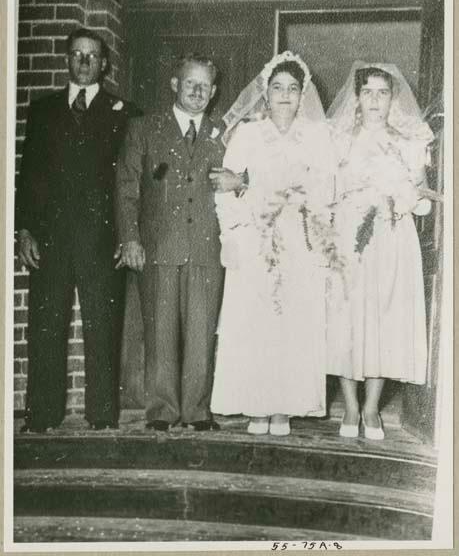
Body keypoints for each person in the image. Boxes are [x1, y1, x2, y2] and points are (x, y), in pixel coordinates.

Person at [16, 27, 142, 432]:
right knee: (46, 324)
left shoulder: (125, 113)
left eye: (92, 55)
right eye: (77, 54)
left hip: (102, 240)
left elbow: (130, 182)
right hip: (50, 238)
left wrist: (127, 234)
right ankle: (42, 414)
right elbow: (29, 177)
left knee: (103, 327)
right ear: (67, 60)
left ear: (104, 63)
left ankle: (102, 416)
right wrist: (25, 231)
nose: (84, 61)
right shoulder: (42, 111)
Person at [210, 51, 337, 436]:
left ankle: (284, 407)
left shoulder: (317, 137)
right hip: (254, 240)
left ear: (303, 96)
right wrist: (230, 235)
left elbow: (321, 190)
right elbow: (223, 188)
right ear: (265, 94)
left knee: (291, 326)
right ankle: (257, 406)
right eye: (277, 88)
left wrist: (251, 183)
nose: (285, 95)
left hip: (297, 241)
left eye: (293, 89)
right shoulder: (247, 134)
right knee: (255, 324)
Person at [116, 53, 230, 432]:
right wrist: (130, 238)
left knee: (201, 333)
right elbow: (127, 188)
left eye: (205, 86)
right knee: (160, 332)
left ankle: (197, 410)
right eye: (190, 83)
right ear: (174, 85)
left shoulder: (223, 133)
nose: (197, 91)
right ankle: (162, 410)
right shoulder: (145, 128)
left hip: (206, 249)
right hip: (159, 247)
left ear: (214, 92)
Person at [326, 62, 434, 440]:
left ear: (393, 99)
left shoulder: (408, 142)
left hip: (390, 237)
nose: (374, 99)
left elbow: (421, 198)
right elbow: (326, 190)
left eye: (382, 92)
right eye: (367, 91)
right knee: (347, 319)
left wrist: (404, 198)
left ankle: (372, 408)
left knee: (382, 320)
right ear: (356, 97)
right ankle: (350, 407)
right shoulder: (338, 139)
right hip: (348, 238)